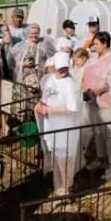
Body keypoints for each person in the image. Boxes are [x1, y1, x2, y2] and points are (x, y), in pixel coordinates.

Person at [36, 51, 84, 197]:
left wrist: (50, 109)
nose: (63, 70)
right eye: (60, 67)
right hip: (53, 126)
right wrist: (41, 105)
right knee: (57, 157)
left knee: (66, 159)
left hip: (66, 127)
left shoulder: (71, 85)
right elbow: (45, 98)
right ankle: (59, 187)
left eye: (65, 67)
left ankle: (66, 188)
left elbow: (73, 109)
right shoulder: (50, 80)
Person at [83, 32, 111, 178]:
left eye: (96, 44)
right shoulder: (94, 59)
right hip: (93, 102)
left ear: (105, 43)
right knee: (98, 132)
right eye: (93, 44)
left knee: (110, 135)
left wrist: (100, 89)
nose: (94, 47)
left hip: (108, 103)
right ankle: (100, 159)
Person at [11, 24, 56, 89]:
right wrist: (23, 63)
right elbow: (13, 63)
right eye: (31, 33)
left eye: (36, 33)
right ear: (28, 34)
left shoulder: (45, 45)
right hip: (26, 79)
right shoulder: (22, 46)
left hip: (41, 77)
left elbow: (52, 60)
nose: (34, 35)